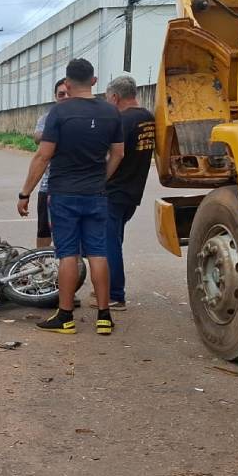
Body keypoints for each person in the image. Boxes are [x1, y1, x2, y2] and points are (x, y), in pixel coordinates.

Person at [16, 58, 124, 336]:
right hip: (96, 194)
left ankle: (65, 316)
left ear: (67, 83)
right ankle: (104, 316)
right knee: (98, 253)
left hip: (64, 195)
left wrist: (25, 193)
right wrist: (102, 178)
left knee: (68, 255)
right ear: (94, 81)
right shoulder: (111, 112)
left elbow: (43, 156)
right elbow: (118, 153)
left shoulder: (59, 112)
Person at [103, 75, 157, 311]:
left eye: (108, 98)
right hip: (133, 191)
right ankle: (107, 286)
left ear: (115, 97)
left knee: (109, 244)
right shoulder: (148, 118)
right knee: (115, 239)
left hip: (114, 190)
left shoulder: (121, 120)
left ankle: (115, 295)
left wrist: (101, 181)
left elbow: (115, 154)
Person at [33, 79, 71, 249]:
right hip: (48, 186)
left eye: (68, 93)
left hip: (74, 187)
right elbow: (37, 138)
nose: (65, 97)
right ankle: (40, 262)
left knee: (71, 234)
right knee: (44, 231)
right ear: (55, 97)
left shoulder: (82, 117)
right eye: (61, 94)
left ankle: (73, 264)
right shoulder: (47, 118)